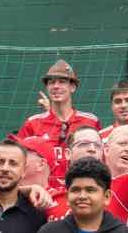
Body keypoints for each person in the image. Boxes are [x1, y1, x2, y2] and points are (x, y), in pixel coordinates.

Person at [17, 59, 100, 188]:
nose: (56, 86)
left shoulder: (90, 121)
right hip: (43, 193)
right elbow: (18, 159)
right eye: (51, 82)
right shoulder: (33, 123)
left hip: (80, 189)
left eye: (62, 82)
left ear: (72, 87)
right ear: (47, 87)